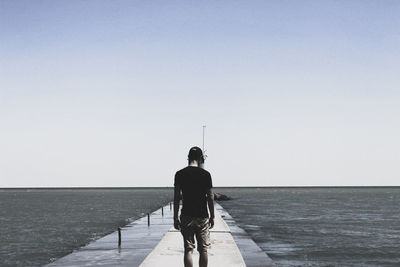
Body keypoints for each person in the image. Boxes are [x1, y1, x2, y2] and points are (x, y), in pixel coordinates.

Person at [174, 146, 215, 267]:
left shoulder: (179, 174)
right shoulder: (206, 174)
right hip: (202, 216)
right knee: (203, 249)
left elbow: (177, 197)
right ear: (201, 158)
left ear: (188, 157)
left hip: (186, 215)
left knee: (188, 249)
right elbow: (210, 197)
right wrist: (212, 216)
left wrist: (175, 217)